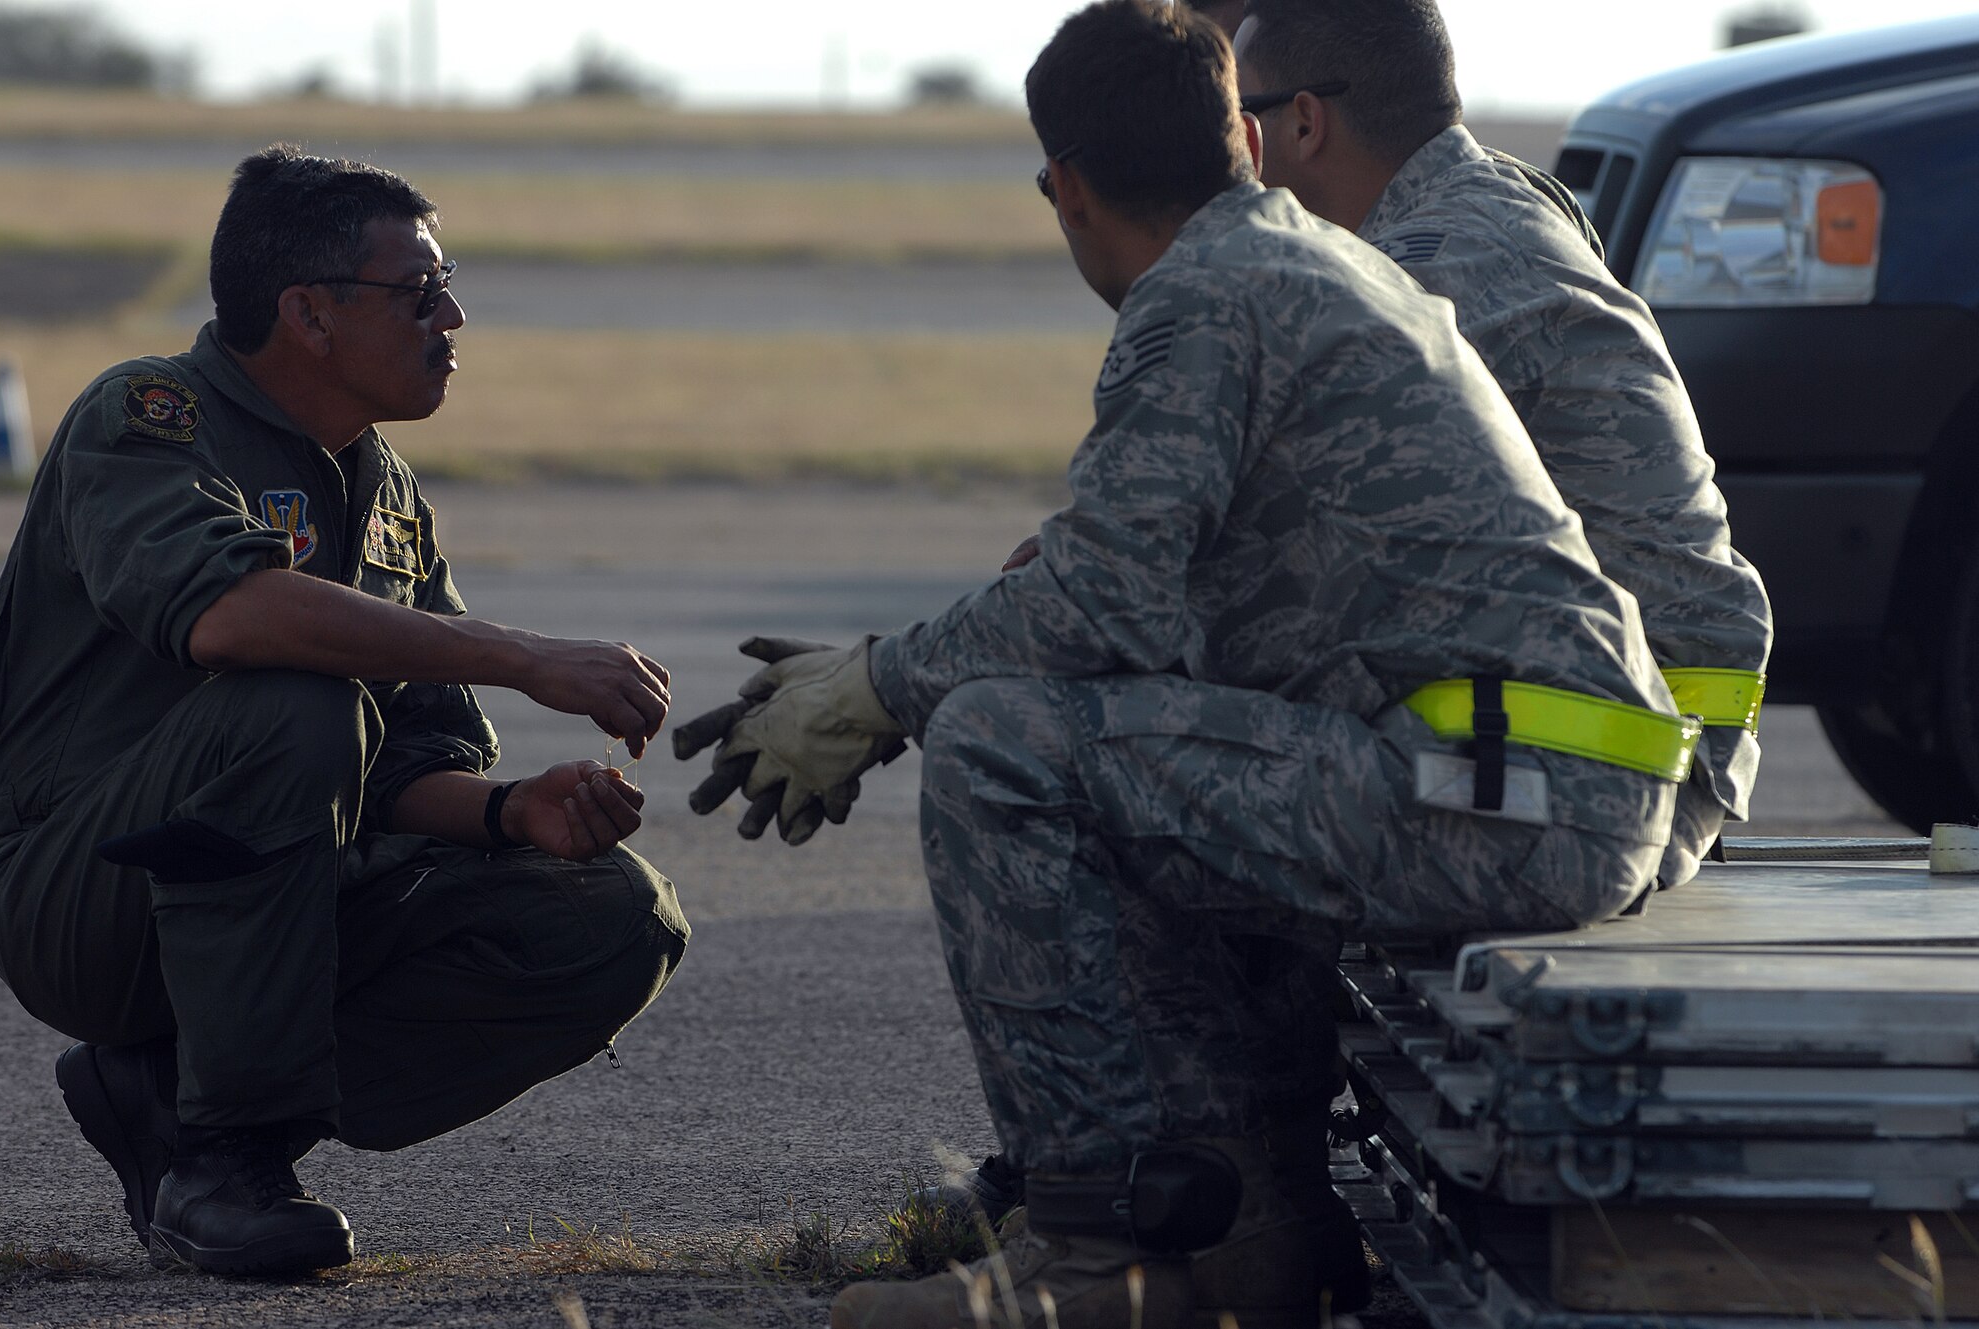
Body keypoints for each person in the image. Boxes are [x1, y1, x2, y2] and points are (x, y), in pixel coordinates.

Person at [675, 3, 1696, 1325]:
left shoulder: (1201, 303)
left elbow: (1094, 601)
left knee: (1003, 748)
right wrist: (882, 676)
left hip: (1511, 799)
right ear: (1242, 145)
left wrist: (877, 687)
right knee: (1112, 747)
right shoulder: (1298, 260)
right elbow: (1131, 619)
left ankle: (1096, 1266)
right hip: (1535, 784)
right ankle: (1247, 1242)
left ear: (1069, 188)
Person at [0, 146, 689, 1278]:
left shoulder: (388, 492)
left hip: (288, 884)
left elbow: (403, 767)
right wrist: (518, 655)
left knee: (611, 917)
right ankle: (223, 1163)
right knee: (291, 698)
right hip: (85, 892)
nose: (450, 315)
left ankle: (175, 1100)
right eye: (419, 290)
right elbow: (227, 616)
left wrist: (513, 814)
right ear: (307, 314)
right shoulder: (150, 416)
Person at [1231, 0, 1772, 889]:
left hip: (1617, 764)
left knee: (1105, 742)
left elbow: (1275, 541)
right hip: (1627, 726)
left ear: (1303, 121)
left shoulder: (1423, 275)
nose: (1238, 156)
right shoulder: (1494, 204)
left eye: (1244, 117)